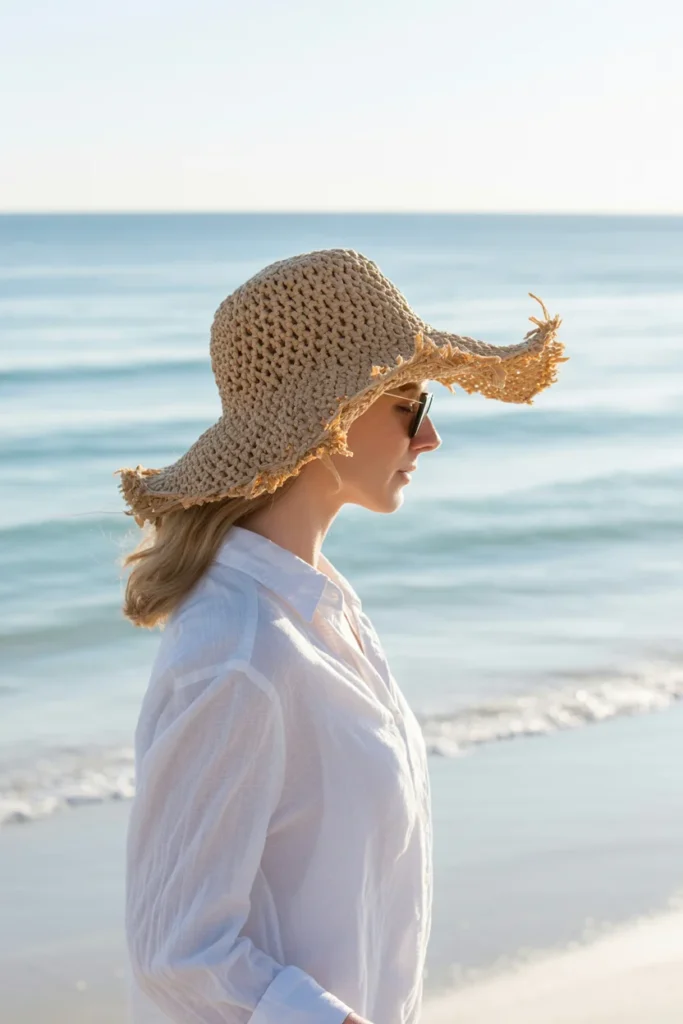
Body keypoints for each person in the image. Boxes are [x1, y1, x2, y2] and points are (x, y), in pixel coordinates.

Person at [115, 248, 565, 1024]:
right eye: (411, 407)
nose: (430, 439)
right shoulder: (237, 650)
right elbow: (175, 952)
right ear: (332, 415)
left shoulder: (321, 604)